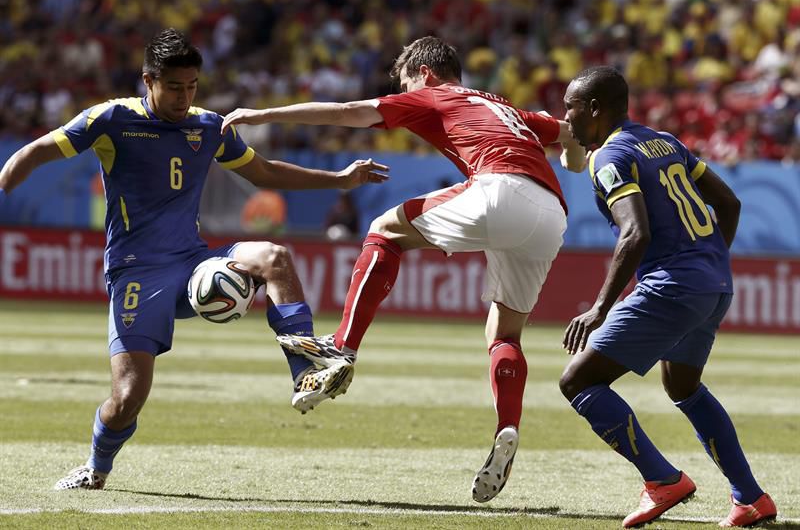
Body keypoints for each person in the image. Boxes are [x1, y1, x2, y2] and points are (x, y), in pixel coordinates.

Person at [0, 28, 388, 491]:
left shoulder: (208, 126)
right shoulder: (111, 119)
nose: (185, 98)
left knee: (274, 257)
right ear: (148, 80)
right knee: (128, 398)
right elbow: (37, 151)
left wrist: (339, 179)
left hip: (191, 262)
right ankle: (96, 467)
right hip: (136, 273)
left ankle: (303, 374)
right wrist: (4, 185)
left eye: (192, 86)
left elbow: (263, 172)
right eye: (174, 87)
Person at [222, 36, 586, 503]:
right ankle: (507, 427)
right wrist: (574, 160)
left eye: (406, 83)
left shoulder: (433, 95)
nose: (405, 92)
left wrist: (261, 115)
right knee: (505, 335)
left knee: (384, 229)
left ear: (425, 74)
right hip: (551, 214)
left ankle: (342, 346)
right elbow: (573, 133)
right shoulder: (505, 107)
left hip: (499, 188)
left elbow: (348, 112)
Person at [559, 66, 777, 528]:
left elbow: (634, 233)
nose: (567, 118)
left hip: (673, 285)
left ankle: (662, 480)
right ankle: (750, 498)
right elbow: (729, 203)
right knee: (682, 385)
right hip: (714, 283)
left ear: (594, 109)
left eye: (570, 107)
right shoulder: (664, 141)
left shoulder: (608, 156)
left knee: (578, 381)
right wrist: (708, 260)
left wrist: (599, 308)